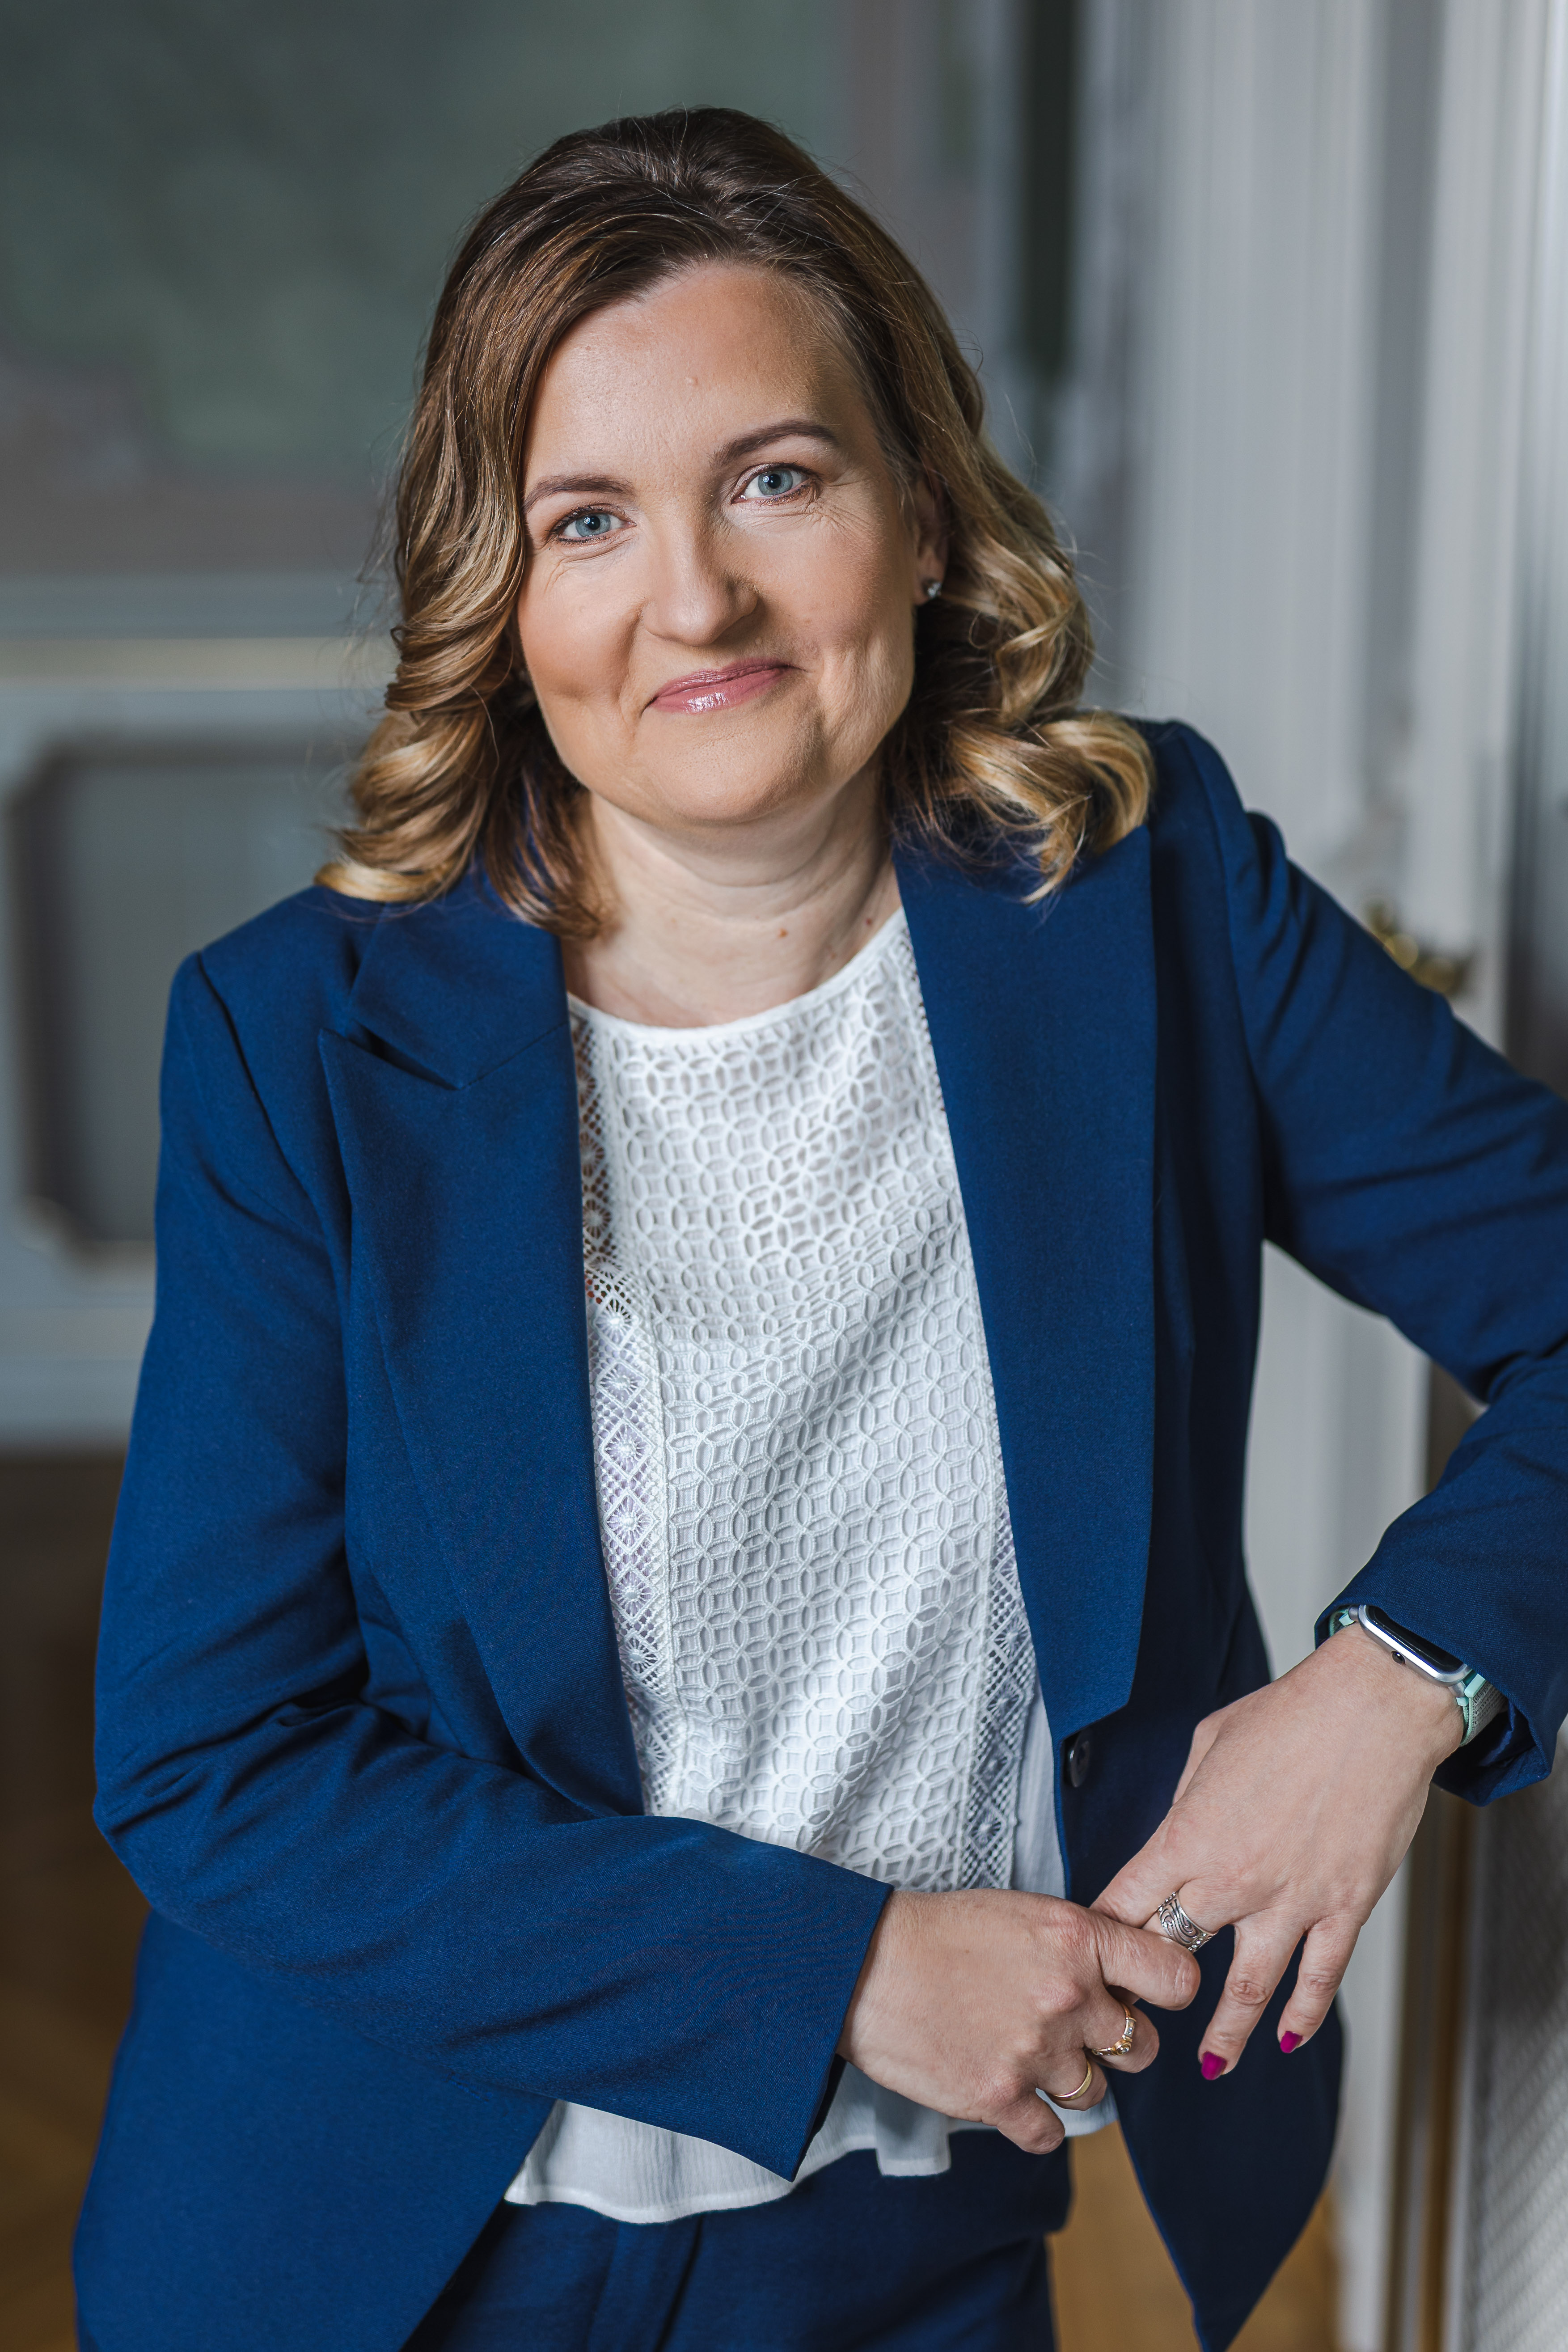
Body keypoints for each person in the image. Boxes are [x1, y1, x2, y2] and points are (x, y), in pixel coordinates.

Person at [76, 107, 1568, 2352]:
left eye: (774, 477)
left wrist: (1396, 1679)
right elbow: (219, 1759)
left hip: (910, 2245)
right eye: (589, 519)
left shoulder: (1150, 900)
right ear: (504, 599)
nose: (695, 601)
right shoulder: (298, 1043)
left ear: (925, 514)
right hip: (391, 2251)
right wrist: (840, 1969)